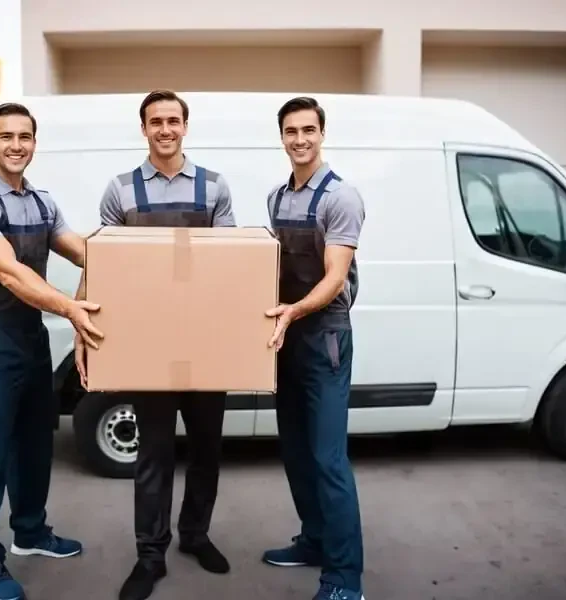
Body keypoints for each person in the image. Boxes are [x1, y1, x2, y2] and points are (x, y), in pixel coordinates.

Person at [75, 89, 236, 600]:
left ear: (185, 126)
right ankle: (150, 555)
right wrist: (81, 324)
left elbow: (232, 264)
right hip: (148, 347)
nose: (165, 129)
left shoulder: (214, 186)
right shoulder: (121, 190)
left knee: (207, 449)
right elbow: (100, 263)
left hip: (204, 343)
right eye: (155, 121)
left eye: (173, 120)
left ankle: (196, 535)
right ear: (143, 128)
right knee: (154, 454)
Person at [0, 102, 104, 600]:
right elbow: (9, 272)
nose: (16, 145)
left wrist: (133, 255)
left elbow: (82, 250)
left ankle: (31, 533)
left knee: (36, 444)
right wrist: (71, 309)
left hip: (32, 337)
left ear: (34, 143)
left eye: (25, 136)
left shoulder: (41, 202)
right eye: (6, 136)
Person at [261, 96, 367, 600]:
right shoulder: (277, 198)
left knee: (328, 459)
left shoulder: (340, 197)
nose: (300, 139)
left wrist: (294, 311)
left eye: (308, 130)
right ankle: (315, 540)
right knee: (297, 451)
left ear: (322, 133)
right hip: (288, 334)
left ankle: (345, 579)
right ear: (281, 137)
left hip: (324, 334)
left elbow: (334, 278)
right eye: (291, 131)